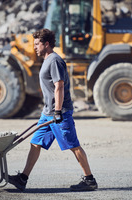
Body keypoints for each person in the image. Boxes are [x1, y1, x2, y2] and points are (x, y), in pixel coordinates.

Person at [8, 28, 98, 192]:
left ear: (46, 44)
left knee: (73, 145)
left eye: (37, 44)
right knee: (35, 143)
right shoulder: (47, 60)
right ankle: (23, 178)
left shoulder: (55, 61)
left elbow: (59, 86)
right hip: (48, 112)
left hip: (59, 112)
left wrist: (57, 111)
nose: (34, 47)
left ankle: (89, 180)